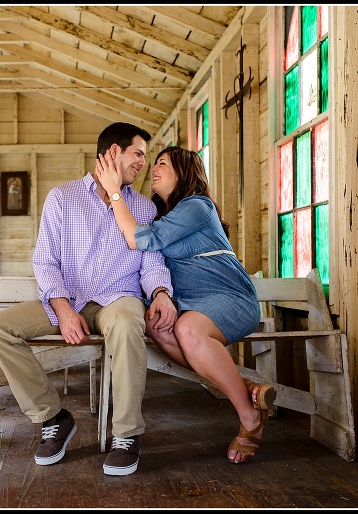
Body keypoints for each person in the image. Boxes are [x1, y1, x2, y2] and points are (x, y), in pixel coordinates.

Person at [0, 122, 177, 476]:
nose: (142, 164)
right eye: (138, 154)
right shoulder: (62, 198)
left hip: (118, 298)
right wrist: (63, 309)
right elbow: (45, 262)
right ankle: (53, 417)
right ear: (114, 153)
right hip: (68, 299)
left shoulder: (145, 209)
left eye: (145, 158)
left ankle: (127, 434)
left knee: (127, 322)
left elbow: (152, 264)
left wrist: (162, 293)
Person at [97, 145, 276, 464]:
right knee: (157, 324)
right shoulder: (164, 215)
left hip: (230, 296)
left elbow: (138, 239)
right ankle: (244, 386)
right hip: (193, 304)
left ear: (184, 172)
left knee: (188, 329)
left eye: (162, 164)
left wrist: (114, 192)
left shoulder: (197, 206)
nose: (153, 169)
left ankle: (249, 418)